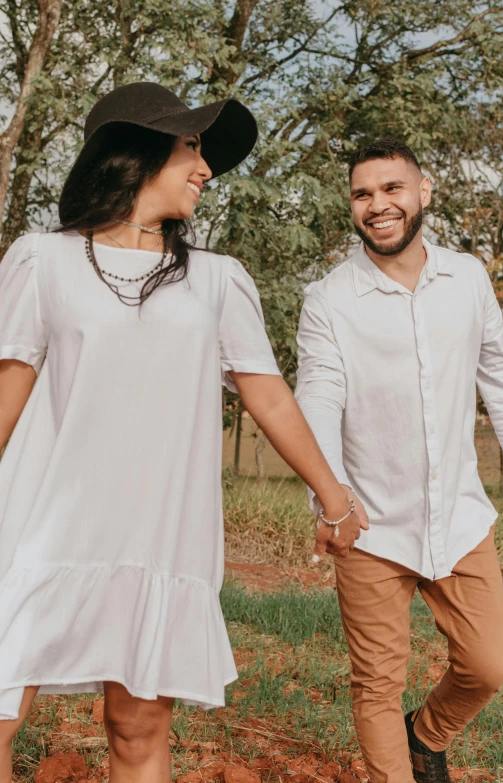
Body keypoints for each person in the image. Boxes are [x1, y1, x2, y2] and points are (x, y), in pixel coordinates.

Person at [0, 82, 354, 783]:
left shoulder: (218, 282)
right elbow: (7, 394)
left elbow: (269, 395)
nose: (205, 168)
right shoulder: (42, 262)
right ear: (135, 153)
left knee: (137, 727)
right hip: (40, 527)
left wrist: (333, 495)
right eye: (191, 146)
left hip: (158, 536)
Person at [295, 138, 503, 783]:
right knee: (376, 684)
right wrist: (330, 501)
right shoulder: (328, 300)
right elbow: (318, 397)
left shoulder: (469, 279)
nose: (378, 205)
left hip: (460, 516)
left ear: (424, 193)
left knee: (489, 665)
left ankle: (428, 734)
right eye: (363, 194)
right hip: (370, 525)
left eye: (392, 189)